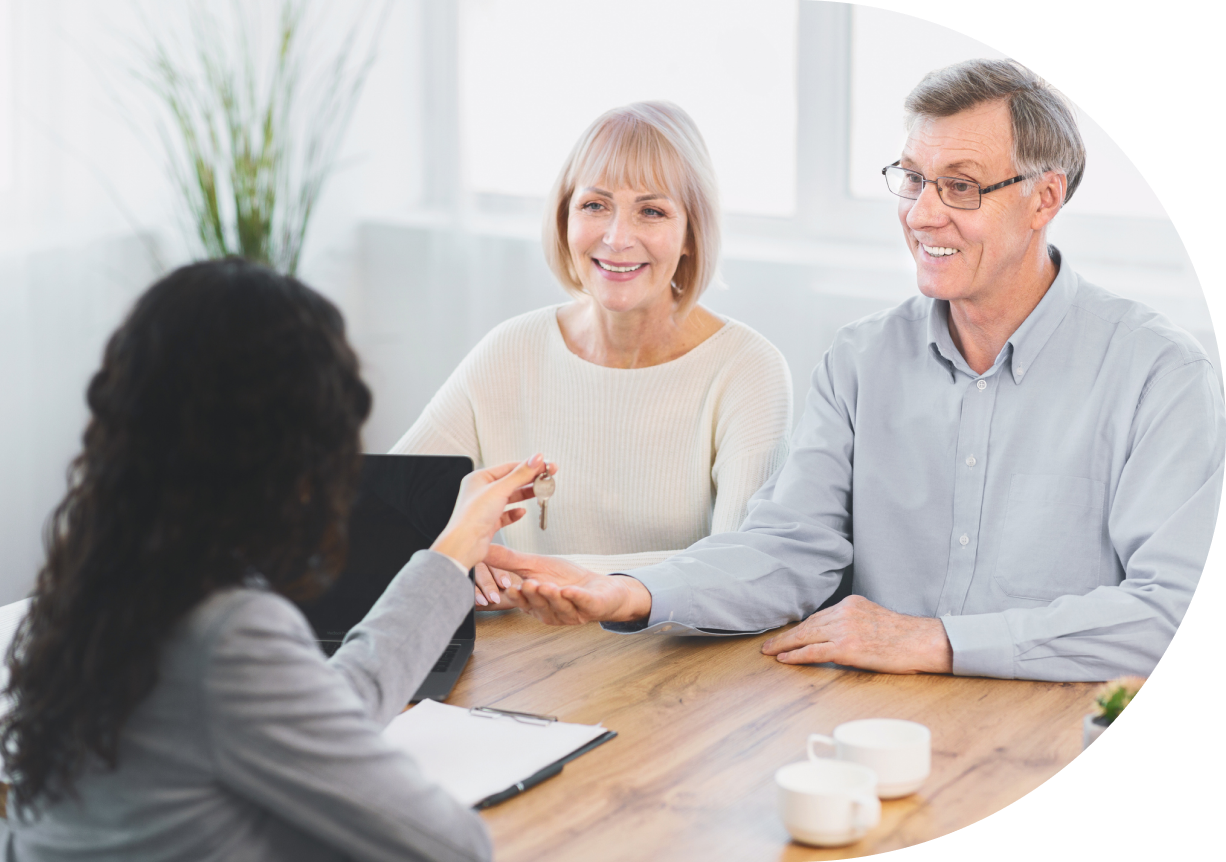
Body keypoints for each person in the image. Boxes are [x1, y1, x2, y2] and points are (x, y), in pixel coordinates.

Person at [482, 59, 1226, 683]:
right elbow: (785, 551)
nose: (922, 214)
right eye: (912, 178)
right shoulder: (862, 360)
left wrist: (936, 641)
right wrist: (631, 594)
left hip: (1063, 733)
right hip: (874, 728)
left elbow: (1183, 617)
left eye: (960, 186)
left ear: (1045, 199)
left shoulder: (1157, 373)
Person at [1, 258, 553, 861]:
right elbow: (448, 844)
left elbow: (315, 712)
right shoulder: (226, 634)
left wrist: (454, 547)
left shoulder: (89, 590)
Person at [391, 101, 792, 608]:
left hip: (674, 664)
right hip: (519, 655)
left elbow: (743, 567)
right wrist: (456, 549)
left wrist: (544, 573)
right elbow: (385, 509)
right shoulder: (509, 350)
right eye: (595, 205)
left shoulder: (747, 369)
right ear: (565, 218)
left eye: (651, 210)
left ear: (693, 233)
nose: (617, 238)